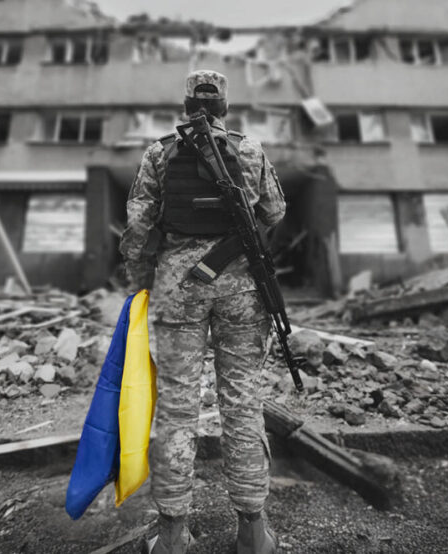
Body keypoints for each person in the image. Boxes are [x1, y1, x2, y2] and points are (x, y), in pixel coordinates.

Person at [119, 69, 286, 554]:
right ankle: (252, 531)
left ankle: (173, 534)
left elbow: (137, 227)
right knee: (242, 403)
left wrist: (140, 277)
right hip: (242, 290)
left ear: (187, 105)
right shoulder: (249, 149)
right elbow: (274, 212)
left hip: (178, 289)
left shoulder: (159, 153)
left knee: (176, 408)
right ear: (224, 107)